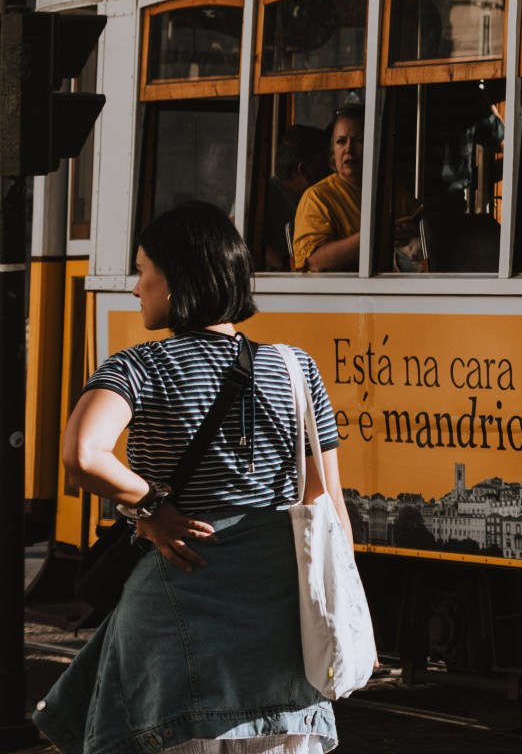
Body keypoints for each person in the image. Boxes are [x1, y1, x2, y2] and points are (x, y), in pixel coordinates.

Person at [39, 202, 344, 754]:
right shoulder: (297, 369)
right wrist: (349, 611)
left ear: (175, 280)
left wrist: (151, 507)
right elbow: (328, 508)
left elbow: (83, 454)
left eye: (142, 270)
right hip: (278, 623)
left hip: (172, 617)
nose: (136, 288)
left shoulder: (138, 367)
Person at [291, 103, 364, 273]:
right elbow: (314, 261)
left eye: (359, 141)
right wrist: (370, 238)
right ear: (333, 151)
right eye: (341, 141)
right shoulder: (317, 197)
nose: (349, 150)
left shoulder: (392, 191)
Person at [263, 123, 330, 270]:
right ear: (304, 170)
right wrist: (282, 263)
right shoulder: (264, 192)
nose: (332, 171)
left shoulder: (324, 198)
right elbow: (236, 229)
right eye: (326, 163)